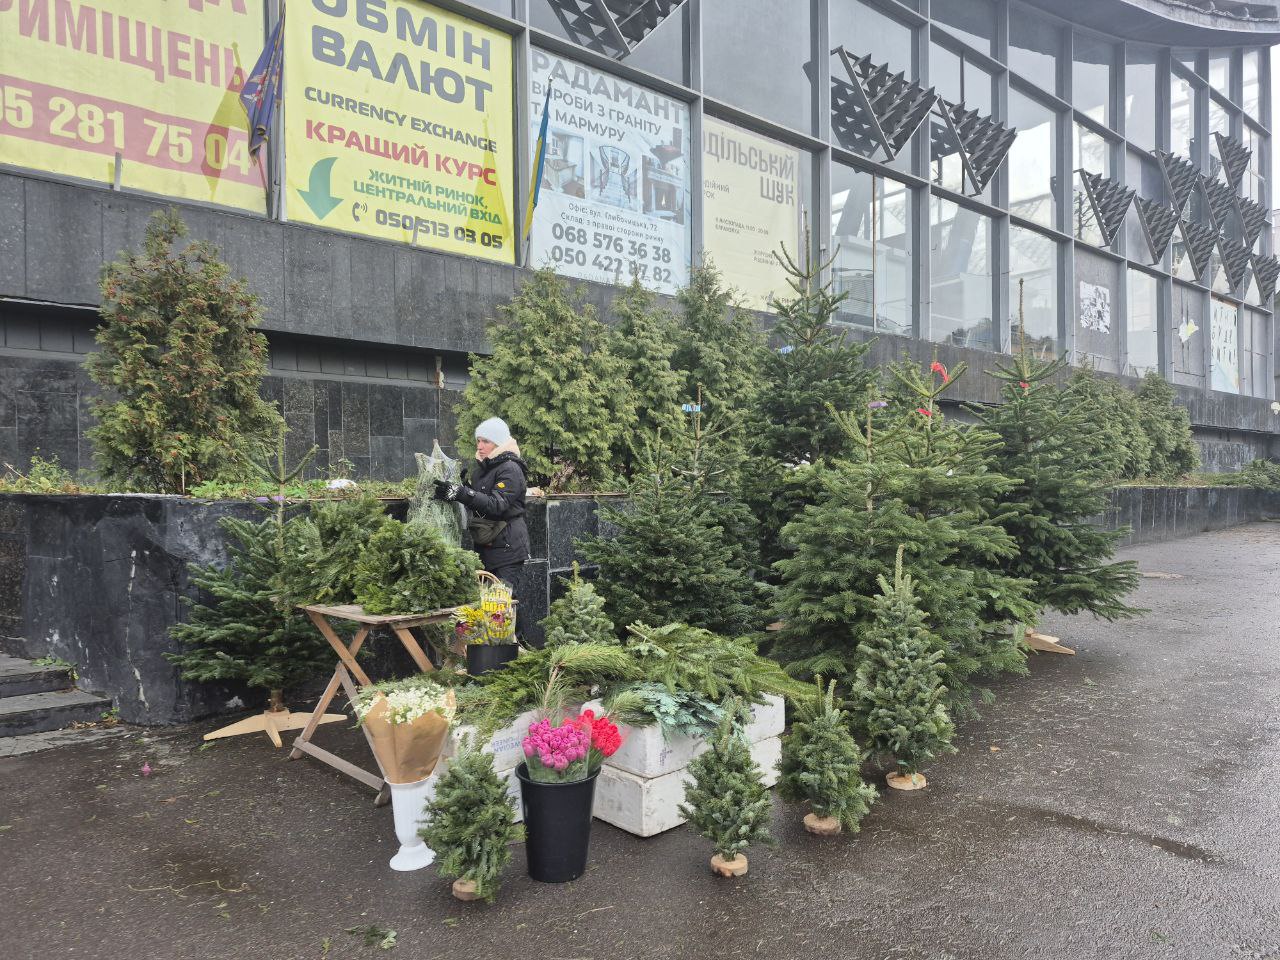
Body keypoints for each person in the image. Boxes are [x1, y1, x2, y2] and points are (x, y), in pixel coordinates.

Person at [432, 417, 530, 587]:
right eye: (478, 441)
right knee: (485, 606)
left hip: (507, 550)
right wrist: (462, 488)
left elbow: (497, 504)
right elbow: (479, 504)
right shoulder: (481, 471)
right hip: (486, 548)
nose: (479, 446)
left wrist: (463, 493)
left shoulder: (510, 468)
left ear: (498, 443)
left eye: (486, 441)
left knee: (501, 605)